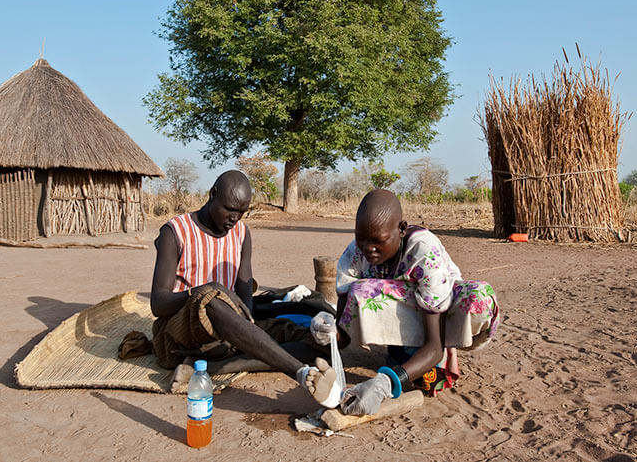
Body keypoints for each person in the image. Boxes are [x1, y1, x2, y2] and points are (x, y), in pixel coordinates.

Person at [150, 170, 341, 407]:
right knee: (210, 297)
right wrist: (203, 290)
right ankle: (301, 373)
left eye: (241, 212)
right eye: (230, 209)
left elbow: (243, 294)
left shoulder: (241, 233)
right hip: (184, 330)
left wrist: (248, 326)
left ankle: (210, 367)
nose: (235, 218)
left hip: (229, 329)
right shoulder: (175, 231)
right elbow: (158, 303)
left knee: (320, 344)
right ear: (212, 195)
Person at [326, 189, 500, 416]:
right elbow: (343, 333)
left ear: (401, 229)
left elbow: (434, 348)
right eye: (361, 239)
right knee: (359, 290)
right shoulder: (355, 253)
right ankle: (400, 350)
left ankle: (409, 356)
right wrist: (329, 333)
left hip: (439, 320)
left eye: (378, 241)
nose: (368, 248)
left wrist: (385, 383)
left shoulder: (424, 252)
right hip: (406, 311)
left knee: (479, 298)